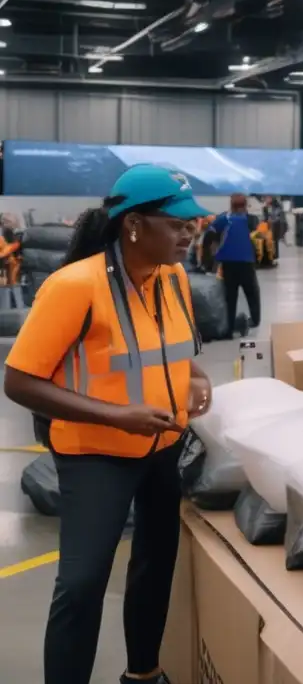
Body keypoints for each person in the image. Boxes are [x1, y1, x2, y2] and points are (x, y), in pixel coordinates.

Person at [3, 163, 213, 684]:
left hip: (163, 446)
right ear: (134, 225)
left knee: (154, 565)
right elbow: (19, 382)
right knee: (82, 583)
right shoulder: (74, 286)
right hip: (96, 456)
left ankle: (144, 673)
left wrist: (197, 374)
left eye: (192, 222)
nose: (190, 232)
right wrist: (119, 416)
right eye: (178, 223)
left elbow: (170, 347)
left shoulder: (174, 278)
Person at [209, 193, 261, 331]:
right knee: (252, 293)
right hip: (246, 262)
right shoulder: (250, 220)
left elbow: (211, 232)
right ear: (245, 205)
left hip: (228, 262)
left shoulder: (223, 219)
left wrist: (213, 256)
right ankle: (255, 320)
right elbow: (256, 229)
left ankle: (230, 324)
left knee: (230, 296)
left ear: (231, 204)